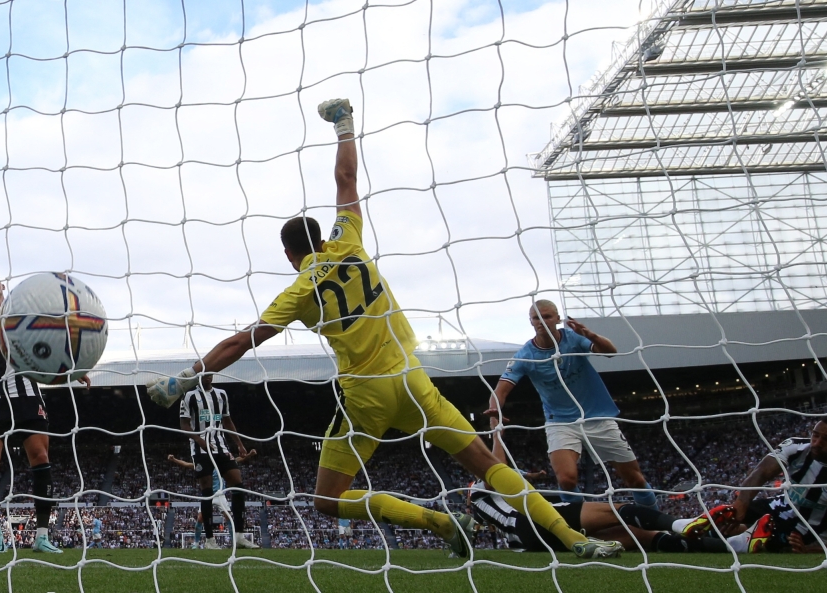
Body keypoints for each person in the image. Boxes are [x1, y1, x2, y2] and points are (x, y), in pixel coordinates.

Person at [147, 99, 623, 559]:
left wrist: (186, 378)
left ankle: (433, 521)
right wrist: (344, 125)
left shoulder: (296, 293)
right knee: (487, 464)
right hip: (414, 382)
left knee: (327, 500)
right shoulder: (348, 241)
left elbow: (238, 342)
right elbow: (346, 178)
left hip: (365, 399)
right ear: (320, 237)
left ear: (291, 255)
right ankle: (572, 539)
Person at [486, 300, 657, 508]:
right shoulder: (525, 356)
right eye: (536, 318)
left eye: (547, 316)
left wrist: (591, 335)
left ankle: (657, 522)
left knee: (635, 480)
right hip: (560, 422)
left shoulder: (574, 339)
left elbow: (610, 351)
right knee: (566, 481)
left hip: (598, 417)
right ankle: (582, 525)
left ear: (558, 319)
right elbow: (500, 390)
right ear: (530, 322)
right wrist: (495, 412)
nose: (541, 322)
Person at [0, 270, 88, 553]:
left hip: (29, 396)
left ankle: (42, 536)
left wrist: (72, 369)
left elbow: (51, 348)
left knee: (41, 458)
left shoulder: (26, 317)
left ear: (3, 285)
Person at [471, 427, 728, 553]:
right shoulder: (480, 484)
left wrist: (535, 476)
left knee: (636, 536)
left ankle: (724, 546)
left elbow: (514, 476)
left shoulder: (482, 498)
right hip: (532, 520)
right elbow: (498, 470)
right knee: (619, 510)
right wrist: (497, 433)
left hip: (531, 543)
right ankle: (681, 524)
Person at [710, 415, 827, 553]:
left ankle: (705, 542)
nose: (816, 443)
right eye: (815, 435)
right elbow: (762, 472)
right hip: (778, 506)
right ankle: (732, 531)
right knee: (722, 519)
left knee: (741, 543)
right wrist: (741, 504)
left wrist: (810, 550)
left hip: (803, 532)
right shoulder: (797, 447)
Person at [178, 374, 259, 549]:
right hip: (200, 450)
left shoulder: (221, 394)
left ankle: (239, 536)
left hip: (221, 447)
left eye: (211, 374)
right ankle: (209, 540)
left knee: (238, 486)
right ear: (198, 377)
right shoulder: (189, 396)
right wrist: (200, 442)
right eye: (205, 374)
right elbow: (184, 424)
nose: (209, 377)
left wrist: (239, 444)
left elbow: (227, 420)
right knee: (206, 492)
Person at [167, 450, 257, 548]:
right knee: (201, 518)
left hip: (220, 495)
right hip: (208, 495)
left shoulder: (221, 464)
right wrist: (174, 460)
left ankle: (235, 542)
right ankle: (196, 544)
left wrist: (249, 455)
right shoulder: (204, 465)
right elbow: (187, 464)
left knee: (228, 517)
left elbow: (237, 460)